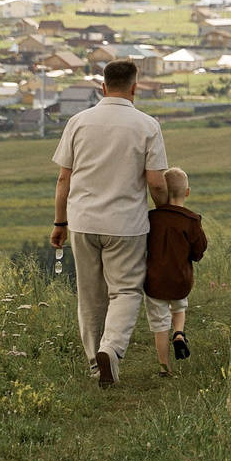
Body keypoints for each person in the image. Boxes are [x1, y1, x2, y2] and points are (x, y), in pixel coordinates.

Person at [50, 59, 167, 387]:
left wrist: (60, 222)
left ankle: (94, 365)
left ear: (102, 87)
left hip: (83, 221)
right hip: (126, 224)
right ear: (134, 88)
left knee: (90, 296)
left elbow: (63, 178)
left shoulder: (78, 122)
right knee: (126, 290)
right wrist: (166, 212)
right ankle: (112, 351)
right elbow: (157, 182)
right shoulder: (147, 125)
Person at [142, 166, 207, 377]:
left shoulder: (150, 218)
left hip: (154, 282)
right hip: (180, 280)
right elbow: (198, 252)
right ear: (187, 192)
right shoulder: (191, 221)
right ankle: (179, 333)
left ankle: (165, 368)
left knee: (160, 324)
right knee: (179, 307)